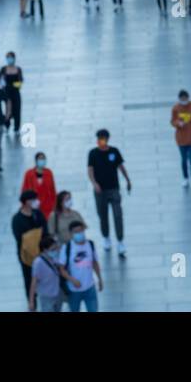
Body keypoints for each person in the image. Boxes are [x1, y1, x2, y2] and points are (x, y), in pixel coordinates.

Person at [87, 129, 130, 257]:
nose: (101, 141)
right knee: (103, 215)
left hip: (114, 189)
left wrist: (128, 180)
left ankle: (120, 241)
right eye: (99, 138)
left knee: (118, 215)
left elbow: (121, 167)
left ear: (107, 139)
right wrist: (95, 184)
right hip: (100, 191)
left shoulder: (114, 151)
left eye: (103, 138)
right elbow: (90, 170)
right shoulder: (93, 153)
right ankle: (106, 237)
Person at [59, 220, 103, 312]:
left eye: (81, 231)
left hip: (90, 287)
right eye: (76, 232)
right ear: (71, 233)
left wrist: (100, 279)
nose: (79, 233)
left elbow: (95, 263)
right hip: (74, 290)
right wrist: (72, 280)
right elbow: (62, 269)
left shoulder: (90, 244)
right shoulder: (67, 248)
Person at [12, 190, 47, 300]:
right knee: (29, 277)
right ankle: (32, 300)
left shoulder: (38, 213)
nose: (37, 202)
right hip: (26, 254)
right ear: (27, 202)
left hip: (41, 252)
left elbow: (45, 230)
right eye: (34, 199)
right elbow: (20, 238)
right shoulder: (17, 219)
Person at [28, 234, 70, 313]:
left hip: (58, 293)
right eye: (53, 249)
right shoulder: (38, 263)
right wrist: (31, 301)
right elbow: (34, 283)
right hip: (46, 297)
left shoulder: (55, 258)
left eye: (56, 248)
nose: (56, 250)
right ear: (45, 250)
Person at [171, 90, 191, 192]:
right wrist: (177, 123)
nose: (184, 100)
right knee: (184, 160)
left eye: (185, 98)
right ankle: (185, 178)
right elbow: (172, 121)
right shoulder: (176, 108)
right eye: (182, 99)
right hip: (181, 139)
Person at [22, 151, 56, 218]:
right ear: (36, 160)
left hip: (47, 205)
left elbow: (53, 189)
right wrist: (24, 204)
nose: (42, 160)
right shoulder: (29, 174)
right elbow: (24, 189)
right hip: (33, 204)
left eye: (43, 158)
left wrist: (54, 204)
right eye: (40, 159)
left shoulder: (49, 173)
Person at [0, 51, 24, 135]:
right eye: (8, 57)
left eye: (11, 57)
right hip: (7, 92)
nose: (10, 59)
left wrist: (15, 85)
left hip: (16, 92)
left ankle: (16, 127)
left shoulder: (18, 69)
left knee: (17, 109)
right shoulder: (3, 69)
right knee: (8, 110)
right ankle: (7, 125)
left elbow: (21, 80)